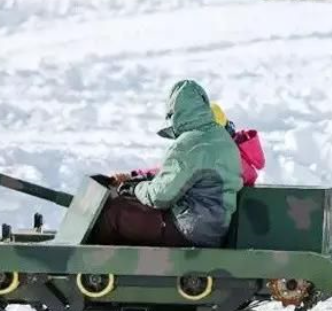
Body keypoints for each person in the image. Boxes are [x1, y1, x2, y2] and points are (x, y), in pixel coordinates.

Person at [90, 80, 243, 247]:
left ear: (174, 113)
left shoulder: (188, 144)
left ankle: (92, 267)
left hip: (188, 230)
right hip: (214, 230)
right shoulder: (223, 139)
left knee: (114, 212)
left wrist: (134, 188)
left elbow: (160, 196)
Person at [113, 102, 266, 187]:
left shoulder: (222, 160)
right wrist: (135, 176)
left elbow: (175, 174)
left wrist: (135, 179)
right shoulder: (235, 157)